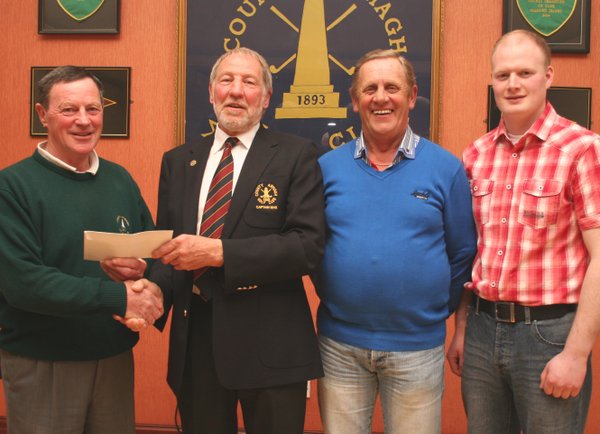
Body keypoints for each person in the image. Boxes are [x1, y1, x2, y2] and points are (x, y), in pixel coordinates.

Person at [148, 47, 325, 434]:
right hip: (196, 343)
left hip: (272, 346)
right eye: (226, 80)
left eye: (249, 82)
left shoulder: (296, 156)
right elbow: (168, 252)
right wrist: (150, 291)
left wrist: (219, 252)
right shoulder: (179, 161)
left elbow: (306, 247)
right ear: (211, 92)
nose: (236, 91)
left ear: (265, 97)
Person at [315, 49, 477, 434]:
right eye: (370, 88)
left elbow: (463, 252)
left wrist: (434, 307)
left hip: (417, 349)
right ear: (355, 101)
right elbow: (311, 248)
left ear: (411, 95)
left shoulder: (446, 168)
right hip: (339, 348)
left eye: (392, 87)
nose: (381, 97)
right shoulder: (326, 169)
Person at [447, 30, 600, 434]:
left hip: (549, 336)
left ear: (548, 76)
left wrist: (577, 354)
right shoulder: (475, 155)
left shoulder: (582, 148)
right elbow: (471, 251)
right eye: (503, 75)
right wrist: (462, 330)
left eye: (525, 73)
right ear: (493, 81)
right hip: (482, 330)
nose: (513, 84)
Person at [0, 66, 164, 434]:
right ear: (43, 115)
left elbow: (151, 248)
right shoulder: (11, 187)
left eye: (93, 109)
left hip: (114, 358)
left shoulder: (120, 179)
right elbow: (24, 283)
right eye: (69, 110)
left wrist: (143, 274)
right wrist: (118, 296)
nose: (84, 121)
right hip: (43, 362)